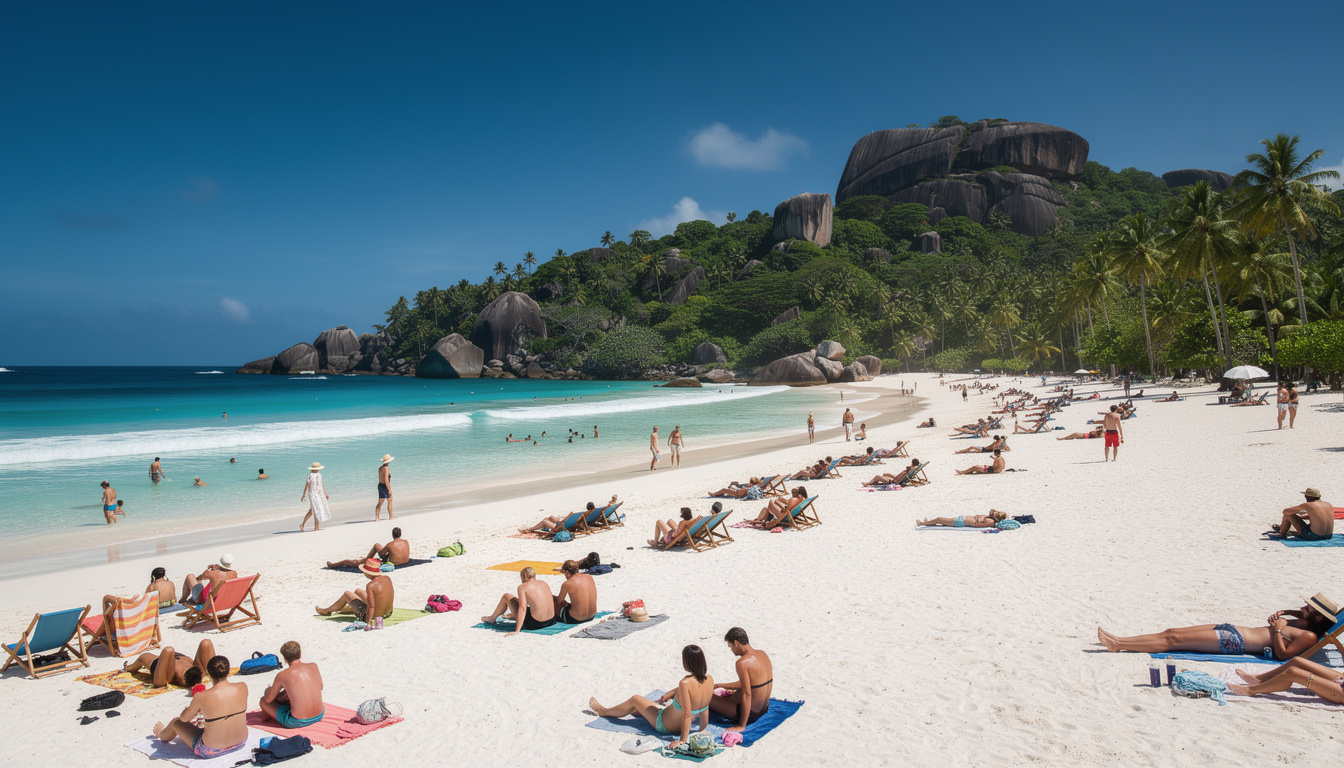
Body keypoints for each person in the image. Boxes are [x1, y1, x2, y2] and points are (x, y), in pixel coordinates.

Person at [1096, 593, 1338, 659]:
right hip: (1231, 629)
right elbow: (1294, 619)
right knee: (1171, 633)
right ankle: (1121, 639)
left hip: (1236, 643)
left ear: (1317, 618)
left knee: (1174, 642)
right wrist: (1285, 614)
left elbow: (1283, 656)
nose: (1303, 608)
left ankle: (1118, 644)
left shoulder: (1308, 636)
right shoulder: (1302, 623)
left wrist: (1276, 630)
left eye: (1309, 608)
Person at [590, 645, 714, 749]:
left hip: (664, 724)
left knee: (635, 699)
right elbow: (704, 708)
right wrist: (702, 729)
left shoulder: (684, 683)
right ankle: (639, 711)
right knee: (649, 706)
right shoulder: (709, 679)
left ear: (687, 662)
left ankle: (604, 711)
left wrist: (682, 740)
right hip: (681, 725)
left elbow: (686, 715)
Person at [152, 655, 248, 759]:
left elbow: (184, 719)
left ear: (209, 674)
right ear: (228, 671)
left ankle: (161, 734)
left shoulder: (201, 696)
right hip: (240, 742)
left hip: (211, 750)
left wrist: (188, 710)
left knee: (176, 722)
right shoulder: (242, 686)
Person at [707, 627, 773, 730]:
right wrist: (719, 685)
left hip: (752, 714)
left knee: (706, 696)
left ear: (736, 643)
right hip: (764, 709)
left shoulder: (742, 663)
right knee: (733, 695)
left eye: (730, 646)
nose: (731, 650)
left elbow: (747, 694)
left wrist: (742, 725)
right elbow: (750, 683)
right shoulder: (762, 653)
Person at [315, 558, 394, 630]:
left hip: (374, 616)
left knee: (347, 594)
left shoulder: (371, 585)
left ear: (368, 573)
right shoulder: (387, 578)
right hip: (388, 613)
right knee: (358, 591)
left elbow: (371, 606)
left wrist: (368, 623)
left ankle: (327, 611)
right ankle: (348, 607)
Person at [260, 641, 325, 728]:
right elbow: (320, 687)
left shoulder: (282, 675)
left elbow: (268, 700)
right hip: (320, 715)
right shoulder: (313, 666)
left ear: (285, 658)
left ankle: (266, 720)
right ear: (300, 653)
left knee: (263, 701)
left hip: (297, 721)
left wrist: (268, 690)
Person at [481, 566, 555, 635]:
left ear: (523, 576)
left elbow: (522, 608)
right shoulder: (544, 583)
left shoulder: (522, 587)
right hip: (551, 621)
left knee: (506, 596)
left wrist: (517, 630)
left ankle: (492, 618)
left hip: (536, 624)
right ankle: (511, 616)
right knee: (513, 598)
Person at [124, 638, 215, 688]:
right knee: (206, 642)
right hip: (180, 657)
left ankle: (130, 668)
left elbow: (158, 684)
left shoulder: (169, 677)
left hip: (170, 660)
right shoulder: (201, 672)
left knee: (144, 657)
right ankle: (130, 668)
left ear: (179, 681)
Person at [328, 527, 410, 568]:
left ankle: (332, 565)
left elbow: (381, 555)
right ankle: (366, 558)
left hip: (393, 563)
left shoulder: (390, 545)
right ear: (400, 534)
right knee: (378, 545)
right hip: (404, 561)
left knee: (348, 562)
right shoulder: (405, 541)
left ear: (392, 535)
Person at [554, 560, 596, 624]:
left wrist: (564, 603)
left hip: (575, 619)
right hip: (591, 616)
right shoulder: (589, 577)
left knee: (553, 599)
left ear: (567, 572)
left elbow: (559, 602)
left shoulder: (567, 583)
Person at [519, 502, 596, 535]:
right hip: (565, 524)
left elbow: (580, 525)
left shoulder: (585, 515)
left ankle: (529, 530)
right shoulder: (592, 514)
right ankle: (531, 529)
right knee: (550, 517)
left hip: (562, 527)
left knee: (544, 521)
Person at [299, 462, 330, 532]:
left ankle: (315, 527)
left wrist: (325, 494)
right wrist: (304, 495)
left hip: (319, 494)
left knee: (314, 510)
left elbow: (322, 484)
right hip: (313, 494)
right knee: (315, 510)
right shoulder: (310, 475)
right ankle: (304, 525)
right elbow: (307, 485)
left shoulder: (319, 475)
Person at [917, 510, 1008, 528]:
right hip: (962, 519)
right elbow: (992, 510)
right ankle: (928, 522)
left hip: (961, 522)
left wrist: (972, 521)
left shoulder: (990, 521)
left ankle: (921, 523)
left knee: (939, 519)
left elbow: (976, 525)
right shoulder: (990, 518)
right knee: (944, 521)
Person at [375, 454, 395, 521]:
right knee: (390, 500)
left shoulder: (380, 468)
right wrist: (389, 489)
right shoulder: (386, 468)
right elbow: (386, 480)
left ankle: (377, 517)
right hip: (384, 486)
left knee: (380, 502)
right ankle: (391, 516)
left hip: (380, 485)